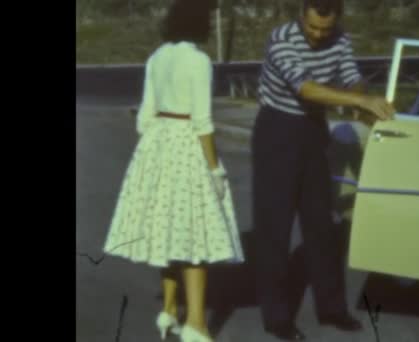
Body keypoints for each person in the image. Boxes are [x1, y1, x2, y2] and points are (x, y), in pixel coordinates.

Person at [252, 0, 395, 340]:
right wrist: (358, 102)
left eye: (324, 30)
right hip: (277, 130)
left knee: (320, 224)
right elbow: (305, 88)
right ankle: (277, 318)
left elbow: (350, 79)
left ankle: (331, 309)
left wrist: (363, 101)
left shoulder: (340, 38)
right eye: (311, 27)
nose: (317, 35)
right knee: (275, 228)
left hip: (314, 131)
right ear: (302, 15)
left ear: (337, 20)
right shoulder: (282, 38)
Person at [102, 1, 244, 341]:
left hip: (157, 143)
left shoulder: (156, 58)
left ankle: (168, 312)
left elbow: (144, 116)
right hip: (188, 145)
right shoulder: (197, 60)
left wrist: (156, 149)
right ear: (201, 22)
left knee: (167, 231)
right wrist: (214, 169)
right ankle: (196, 323)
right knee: (196, 236)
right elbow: (203, 121)